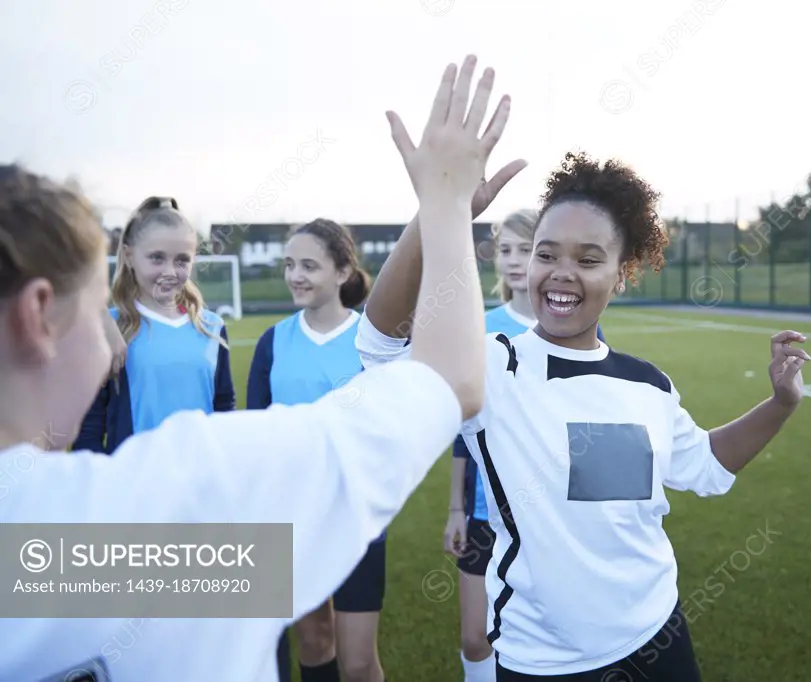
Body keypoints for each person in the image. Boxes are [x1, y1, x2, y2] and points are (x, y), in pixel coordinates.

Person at [0, 53, 507, 681]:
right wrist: (448, 202)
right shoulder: (183, 499)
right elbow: (451, 380)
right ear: (38, 317)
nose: (110, 329)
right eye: (97, 304)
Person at [356, 150, 811, 682]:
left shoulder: (647, 384)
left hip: (658, 637)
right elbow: (382, 343)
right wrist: (442, 210)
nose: (561, 274)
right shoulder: (493, 365)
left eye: (589, 260)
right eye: (546, 255)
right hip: (544, 662)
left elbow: (705, 464)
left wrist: (781, 404)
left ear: (622, 275)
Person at [444, 209, 603, 682]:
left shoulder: (576, 323)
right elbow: (462, 430)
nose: (515, 261)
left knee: (551, 632)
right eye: (506, 249)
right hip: (483, 507)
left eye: (527, 249)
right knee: (476, 635)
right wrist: (455, 507)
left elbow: (588, 421)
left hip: (550, 510)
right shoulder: (478, 326)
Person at [245, 218, 383, 682]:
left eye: (309, 265)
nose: (295, 275)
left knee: (360, 661)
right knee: (315, 639)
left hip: (356, 515)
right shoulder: (273, 342)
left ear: (343, 272)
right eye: (289, 265)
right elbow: (257, 436)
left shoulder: (373, 343)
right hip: (293, 516)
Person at [72, 196, 235, 453]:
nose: (170, 271)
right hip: (135, 483)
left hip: (200, 478)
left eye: (182, 260)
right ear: (128, 256)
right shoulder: (111, 328)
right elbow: (90, 424)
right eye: (157, 258)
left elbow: (224, 405)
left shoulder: (211, 326)